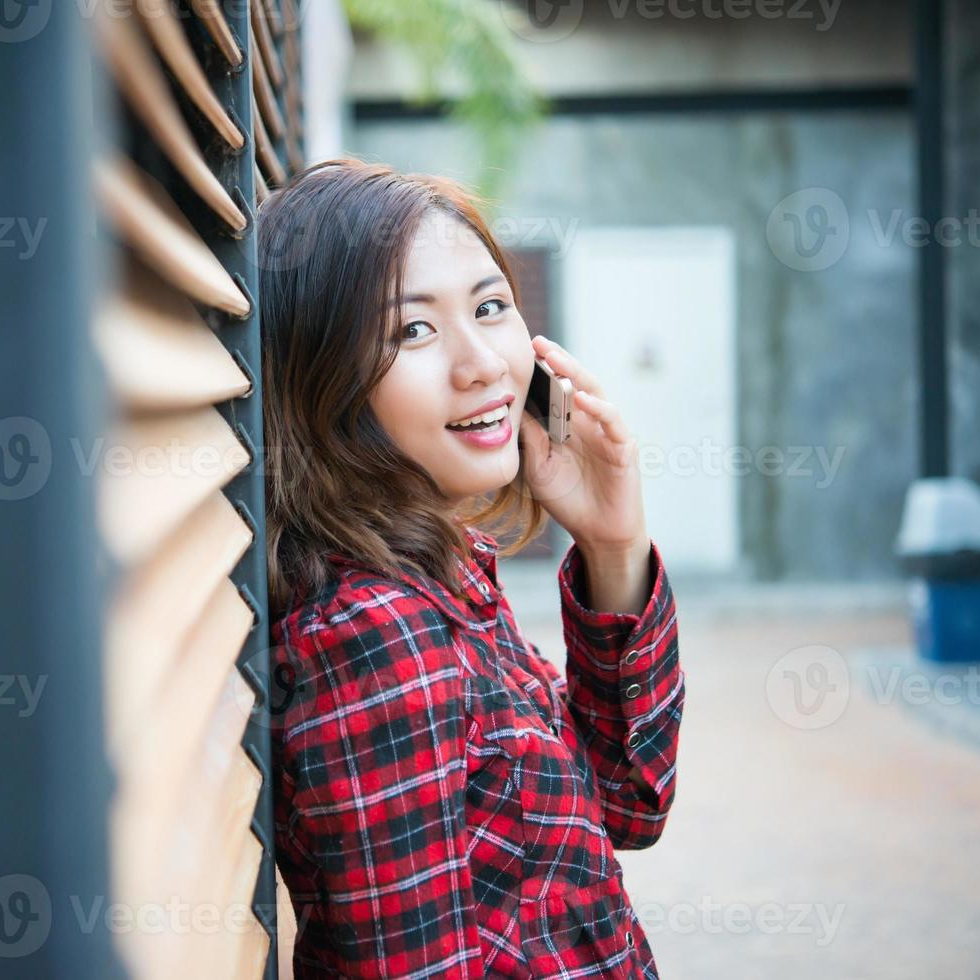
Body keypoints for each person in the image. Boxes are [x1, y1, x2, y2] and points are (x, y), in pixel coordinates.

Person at [259, 157, 684, 979]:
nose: (483, 363)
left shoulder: (440, 577)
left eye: (491, 308)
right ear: (321, 381)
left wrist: (612, 548)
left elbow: (628, 803)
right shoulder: (373, 633)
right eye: (411, 330)